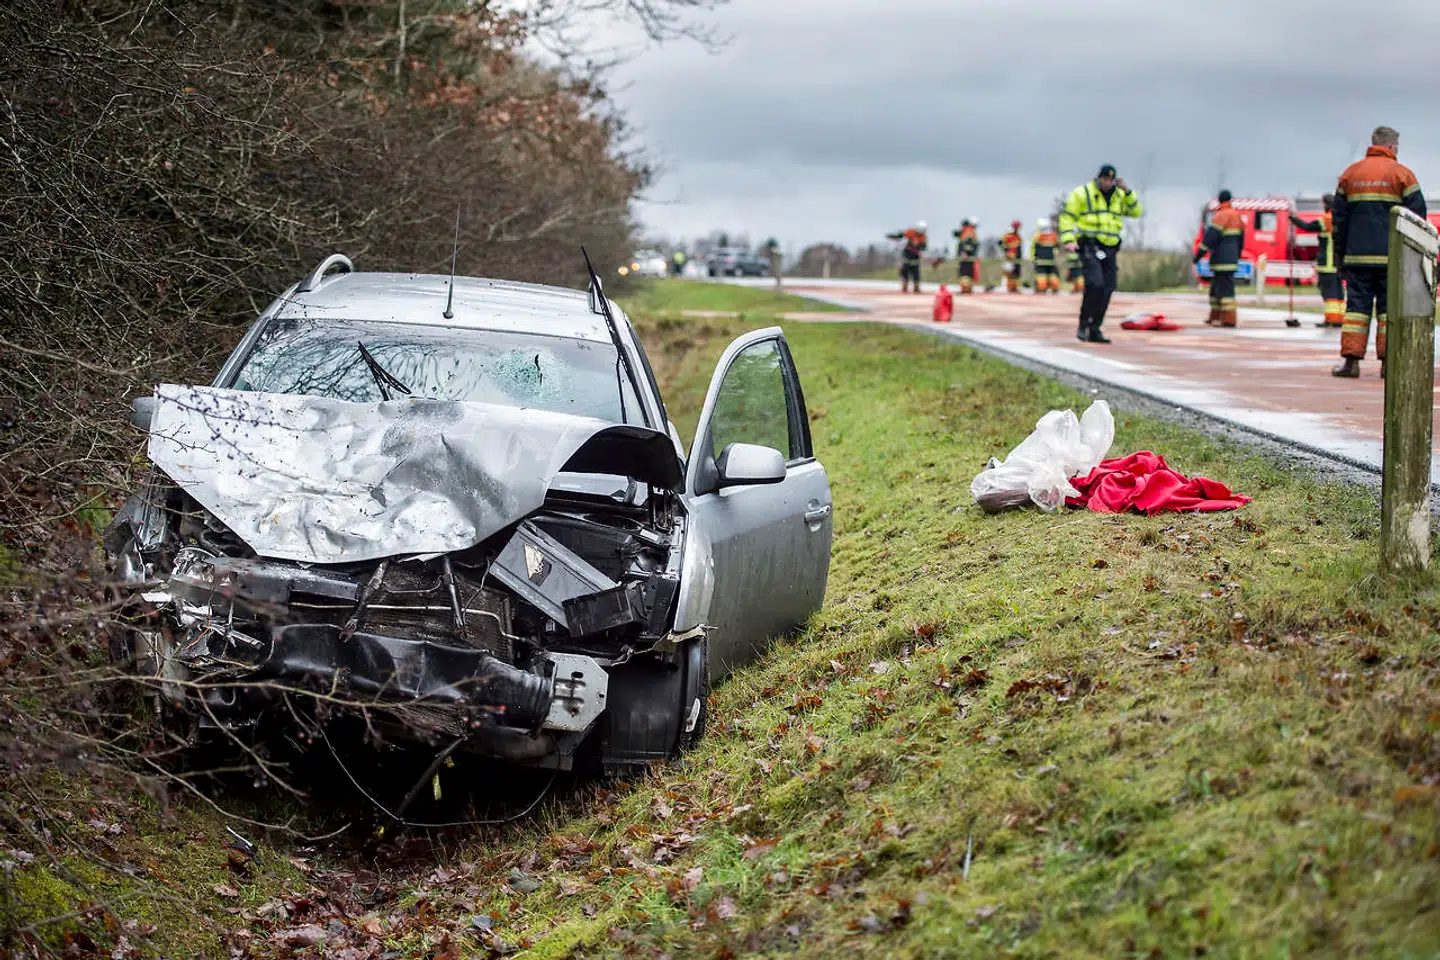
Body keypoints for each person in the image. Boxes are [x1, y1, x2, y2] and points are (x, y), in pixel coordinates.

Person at [1331, 126, 1426, 378]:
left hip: (1357, 258)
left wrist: (1340, 255)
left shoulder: (1351, 175)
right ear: (1393, 147)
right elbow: (1418, 218)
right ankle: (1388, 364)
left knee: (1356, 311)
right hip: (1392, 260)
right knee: (1389, 311)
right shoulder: (1403, 175)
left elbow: (1338, 221)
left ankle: (1351, 363)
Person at [1060, 164, 1144, 343]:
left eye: (1111, 180)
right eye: (1104, 179)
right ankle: (1083, 324)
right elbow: (1067, 216)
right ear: (1098, 178)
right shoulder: (1082, 193)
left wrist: (1128, 192)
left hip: (1110, 248)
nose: (1107, 183)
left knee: (1108, 287)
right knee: (1095, 284)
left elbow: (1136, 212)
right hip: (1089, 244)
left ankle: (1095, 327)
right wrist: (1068, 238)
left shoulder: (1120, 196)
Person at [1193, 190, 1244, 327]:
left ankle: (1229, 319)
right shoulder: (1237, 217)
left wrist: (1197, 256)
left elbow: (1209, 239)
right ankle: (1215, 316)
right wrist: (1237, 256)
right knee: (1216, 290)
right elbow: (1241, 240)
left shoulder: (1220, 216)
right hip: (1231, 260)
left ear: (1219, 201)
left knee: (1225, 292)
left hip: (1221, 261)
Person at [1291, 195, 1342, 328]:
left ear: (1326, 204)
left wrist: (1293, 219)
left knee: (1329, 293)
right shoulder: (1342, 218)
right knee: (1338, 293)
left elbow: (1307, 227)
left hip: (1327, 263)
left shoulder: (1326, 219)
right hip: (1339, 264)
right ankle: (1339, 318)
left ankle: (1331, 319)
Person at [886, 221, 929, 293]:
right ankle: (904, 287)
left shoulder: (923, 237)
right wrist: (894, 237)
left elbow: (924, 247)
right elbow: (901, 235)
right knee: (905, 272)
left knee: (916, 274)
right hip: (907, 255)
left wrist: (918, 246)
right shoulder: (911, 232)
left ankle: (916, 287)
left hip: (915, 258)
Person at [1030, 218, 1060, 294]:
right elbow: (1056, 248)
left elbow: (1033, 248)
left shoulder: (1037, 236)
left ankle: (1041, 289)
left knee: (1041, 275)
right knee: (1052, 275)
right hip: (1051, 260)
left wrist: (1032, 258)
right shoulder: (1053, 236)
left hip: (1040, 261)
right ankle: (1054, 289)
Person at [953, 219, 980, 294]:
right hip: (970, 258)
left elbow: (967, 244)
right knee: (969, 274)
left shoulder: (967, 232)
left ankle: (965, 289)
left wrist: (965, 252)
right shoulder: (970, 232)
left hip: (966, 258)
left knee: (965, 274)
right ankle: (968, 289)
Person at [1000, 220, 1024, 292]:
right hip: (1009, 257)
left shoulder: (1018, 236)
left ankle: (1015, 287)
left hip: (1017, 258)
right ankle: (1008, 287)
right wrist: (1006, 252)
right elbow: (1002, 244)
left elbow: (1019, 247)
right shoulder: (1007, 236)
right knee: (1008, 272)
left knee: (1016, 273)